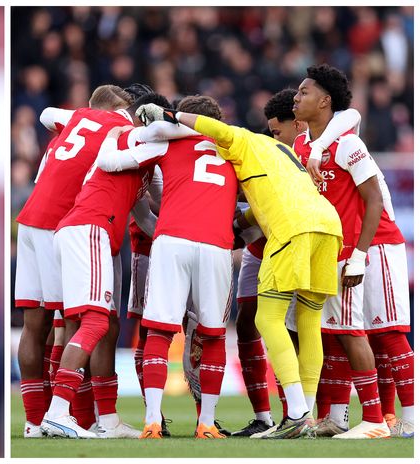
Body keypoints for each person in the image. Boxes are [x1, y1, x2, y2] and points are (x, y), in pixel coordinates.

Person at [138, 98, 342, 439]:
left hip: (288, 228)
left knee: (266, 319)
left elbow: (215, 129)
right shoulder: (281, 151)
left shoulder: (239, 139)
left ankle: (295, 413)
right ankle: (304, 414)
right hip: (327, 225)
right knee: (308, 321)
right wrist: (236, 223)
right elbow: (264, 202)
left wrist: (169, 116)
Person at [100, 95, 238, 439]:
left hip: (171, 239)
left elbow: (112, 162)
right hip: (217, 244)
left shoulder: (165, 142)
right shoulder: (238, 148)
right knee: (214, 335)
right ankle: (206, 423)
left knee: (159, 332)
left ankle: (152, 422)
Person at [40, 91, 169, 439]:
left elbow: (145, 216)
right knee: (95, 321)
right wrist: (177, 131)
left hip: (85, 231)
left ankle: (107, 420)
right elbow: (120, 157)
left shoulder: (138, 160)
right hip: (90, 228)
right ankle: (57, 410)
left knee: (102, 324)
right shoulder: (126, 137)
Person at [231, 88, 359, 438]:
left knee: (300, 328)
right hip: (263, 245)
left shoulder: (311, 145)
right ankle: (265, 415)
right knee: (248, 324)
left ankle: (308, 412)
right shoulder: (281, 150)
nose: (273, 138)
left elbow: (352, 115)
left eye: (276, 131)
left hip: (299, 240)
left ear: (297, 123)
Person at [293, 64, 411, 438]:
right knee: (337, 333)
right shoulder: (300, 146)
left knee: (386, 333)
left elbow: (373, 200)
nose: (297, 98)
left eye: (304, 92)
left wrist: (358, 256)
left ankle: (402, 418)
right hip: (334, 249)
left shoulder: (348, 141)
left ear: (325, 101)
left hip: (375, 244)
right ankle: (341, 416)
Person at [15, 85, 132, 437]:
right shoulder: (118, 126)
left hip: (29, 219)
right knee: (70, 322)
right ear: (116, 108)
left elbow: (46, 114)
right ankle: (66, 415)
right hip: (61, 223)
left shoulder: (72, 124)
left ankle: (34, 422)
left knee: (34, 325)